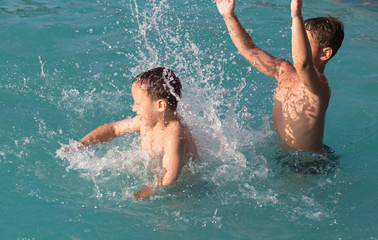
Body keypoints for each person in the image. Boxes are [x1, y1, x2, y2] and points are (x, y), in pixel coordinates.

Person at [216, 0, 344, 156]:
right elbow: (249, 50)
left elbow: (303, 64)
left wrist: (296, 16)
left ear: (325, 54)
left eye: (303, 42)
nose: (296, 45)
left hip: (307, 165)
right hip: (283, 154)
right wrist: (228, 15)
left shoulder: (319, 87)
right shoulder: (283, 71)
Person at [75, 67, 198, 199]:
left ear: (160, 105)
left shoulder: (174, 135)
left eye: (138, 103)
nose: (133, 108)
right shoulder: (145, 122)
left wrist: (138, 196)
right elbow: (113, 129)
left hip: (186, 189)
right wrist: (80, 144)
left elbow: (170, 177)